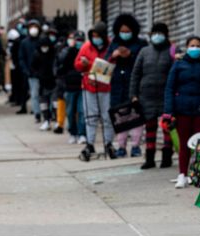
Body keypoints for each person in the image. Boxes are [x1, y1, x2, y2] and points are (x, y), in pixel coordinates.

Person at [163, 35, 200, 188]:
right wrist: (168, 111)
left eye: (198, 45)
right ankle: (182, 174)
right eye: (192, 45)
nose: (195, 48)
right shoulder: (178, 64)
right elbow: (169, 88)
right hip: (182, 110)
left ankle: (199, 174)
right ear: (187, 47)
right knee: (183, 144)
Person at [129, 22, 177, 169]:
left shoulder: (172, 51)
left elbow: (177, 73)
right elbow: (135, 74)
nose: (157, 36)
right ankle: (149, 158)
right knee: (149, 128)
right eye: (155, 33)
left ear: (166, 35)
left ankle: (166, 157)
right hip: (146, 96)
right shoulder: (144, 52)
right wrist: (133, 95)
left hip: (165, 96)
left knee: (167, 127)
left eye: (160, 33)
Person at [106, 14, 147, 158]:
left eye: (127, 31)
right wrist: (114, 55)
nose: (124, 34)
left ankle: (136, 146)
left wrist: (130, 55)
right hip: (117, 87)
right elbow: (105, 64)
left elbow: (144, 63)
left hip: (135, 86)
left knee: (136, 118)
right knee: (120, 118)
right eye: (122, 31)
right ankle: (121, 146)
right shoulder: (114, 44)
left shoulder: (141, 44)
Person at [74, 21, 116, 160]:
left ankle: (108, 142)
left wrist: (90, 64)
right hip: (89, 86)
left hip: (106, 87)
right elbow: (77, 64)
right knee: (90, 117)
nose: (95, 38)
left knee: (107, 117)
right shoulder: (86, 47)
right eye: (93, 35)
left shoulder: (111, 47)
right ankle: (90, 142)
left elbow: (112, 64)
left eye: (98, 35)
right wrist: (83, 64)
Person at [57, 30, 86, 144]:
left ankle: (82, 133)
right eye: (77, 40)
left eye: (81, 40)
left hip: (82, 86)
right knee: (70, 112)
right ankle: (72, 133)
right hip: (69, 86)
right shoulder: (67, 51)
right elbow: (61, 66)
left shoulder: (85, 52)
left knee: (82, 111)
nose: (79, 42)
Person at [31, 36, 57, 131]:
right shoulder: (37, 55)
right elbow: (33, 67)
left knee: (55, 103)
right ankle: (46, 120)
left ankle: (57, 120)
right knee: (43, 103)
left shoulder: (54, 54)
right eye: (43, 46)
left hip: (54, 82)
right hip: (42, 83)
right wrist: (37, 74)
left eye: (46, 46)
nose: (44, 48)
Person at [19, 19, 42, 122]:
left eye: (35, 26)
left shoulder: (42, 40)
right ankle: (37, 113)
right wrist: (26, 70)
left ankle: (47, 113)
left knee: (44, 94)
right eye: (31, 27)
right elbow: (21, 58)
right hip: (31, 73)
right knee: (34, 94)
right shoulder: (24, 42)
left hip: (43, 73)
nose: (33, 29)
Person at [7, 29, 27, 114]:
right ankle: (19, 101)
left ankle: (20, 102)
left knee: (20, 86)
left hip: (19, 68)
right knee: (19, 86)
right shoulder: (19, 42)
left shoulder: (18, 43)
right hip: (18, 67)